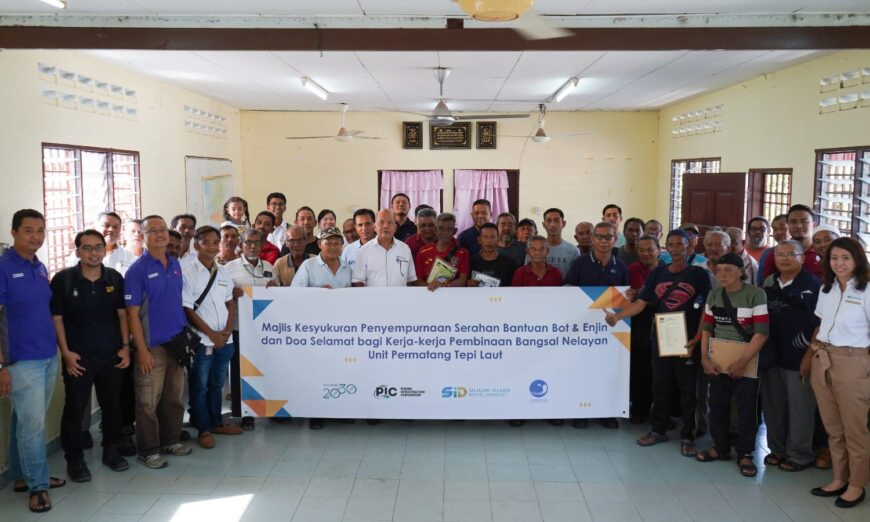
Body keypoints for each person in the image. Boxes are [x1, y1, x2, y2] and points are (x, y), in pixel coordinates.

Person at [605, 230, 711, 457]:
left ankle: (688, 436)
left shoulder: (699, 275)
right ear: (666, 248)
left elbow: (706, 308)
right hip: (662, 338)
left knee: (688, 390)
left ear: (688, 246)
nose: (675, 249)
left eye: (680, 244)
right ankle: (658, 430)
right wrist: (618, 316)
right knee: (660, 387)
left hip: (688, 340)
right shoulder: (658, 273)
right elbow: (641, 303)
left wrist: (698, 337)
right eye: (671, 244)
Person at [52, 230, 130, 482]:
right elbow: (57, 319)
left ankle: (111, 450)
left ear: (104, 250)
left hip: (111, 355)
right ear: (78, 252)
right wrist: (66, 353)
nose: (93, 253)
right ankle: (75, 461)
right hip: (78, 359)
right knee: (75, 410)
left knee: (112, 406)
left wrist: (125, 347)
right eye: (87, 248)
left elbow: (122, 314)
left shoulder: (114, 278)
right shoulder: (64, 280)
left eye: (98, 247)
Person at [1, 209, 64, 513]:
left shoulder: (39, 266)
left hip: (47, 354)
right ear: (14, 232)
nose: (36, 236)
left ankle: (20, 476)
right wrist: (1, 366)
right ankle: (38, 486)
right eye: (28, 230)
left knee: (24, 421)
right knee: (33, 426)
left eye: (40, 230)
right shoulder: (3, 268)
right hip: (21, 360)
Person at [125, 215, 192, 469]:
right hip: (151, 345)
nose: (159, 234)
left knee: (174, 397)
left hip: (177, 342)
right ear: (143, 236)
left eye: (162, 229)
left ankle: (170, 440)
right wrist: (141, 350)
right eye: (152, 230)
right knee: (147, 401)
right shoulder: (137, 270)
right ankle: (148, 450)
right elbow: (131, 314)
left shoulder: (174, 264)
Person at [808, 237, 870, 508]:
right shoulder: (827, 289)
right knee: (833, 427)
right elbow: (822, 324)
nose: (839, 263)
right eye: (834, 258)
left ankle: (857, 484)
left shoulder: (866, 290)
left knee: (855, 429)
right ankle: (839, 478)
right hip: (824, 358)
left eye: (846, 257)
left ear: (857, 259)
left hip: (854, 361)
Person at [695, 253, 769, 478]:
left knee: (746, 408)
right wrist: (704, 358)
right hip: (718, 358)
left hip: (747, 359)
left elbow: (761, 333)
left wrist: (742, 363)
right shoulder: (714, 294)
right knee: (717, 405)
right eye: (719, 270)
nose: (722, 274)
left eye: (728, 269)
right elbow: (707, 329)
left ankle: (745, 453)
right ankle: (720, 447)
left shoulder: (755, 294)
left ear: (741, 271)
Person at [760, 240, 821, 472]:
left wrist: (809, 356)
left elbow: (820, 325)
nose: (784, 259)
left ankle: (799, 454)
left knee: (800, 408)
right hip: (771, 355)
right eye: (779, 254)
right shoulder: (769, 282)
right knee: (773, 406)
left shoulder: (813, 285)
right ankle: (777, 450)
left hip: (799, 356)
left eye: (791, 254)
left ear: (802, 258)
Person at [564, 221, 628, 430]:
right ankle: (581, 411)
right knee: (583, 370)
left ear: (615, 239)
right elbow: (569, 288)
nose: (603, 241)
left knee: (608, 371)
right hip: (584, 329)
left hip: (612, 330)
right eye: (599, 236)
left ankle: (606, 412)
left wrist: (631, 294)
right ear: (592, 239)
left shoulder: (621, 266)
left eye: (608, 237)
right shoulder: (580, 263)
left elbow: (626, 296)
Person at [182, 226, 241, 450]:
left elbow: (230, 303)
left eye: (216, 242)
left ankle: (217, 422)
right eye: (207, 242)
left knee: (217, 385)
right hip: (202, 341)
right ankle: (204, 428)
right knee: (200, 387)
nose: (213, 246)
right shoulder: (188, 273)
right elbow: (188, 310)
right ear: (196, 245)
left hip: (224, 340)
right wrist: (212, 335)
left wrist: (227, 330)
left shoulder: (223, 272)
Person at [292, 226, 352, 430]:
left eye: (337, 243)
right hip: (315, 331)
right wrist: (317, 292)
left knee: (339, 371)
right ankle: (316, 413)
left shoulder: (347, 267)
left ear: (342, 246)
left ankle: (337, 411)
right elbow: (294, 294)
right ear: (319, 244)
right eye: (328, 243)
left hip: (342, 331)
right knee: (317, 373)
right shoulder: (308, 266)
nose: (333, 247)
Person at [226, 229, 280, 431]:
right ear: (241, 245)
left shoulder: (269, 267)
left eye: (256, 242)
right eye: (248, 242)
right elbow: (222, 295)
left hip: (265, 331)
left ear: (262, 245)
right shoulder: (229, 269)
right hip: (239, 329)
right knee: (241, 373)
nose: (252, 246)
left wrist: (275, 289)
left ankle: (269, 409)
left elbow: (278, 297)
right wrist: (232, 293)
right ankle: (244, 413)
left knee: (265, 370)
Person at [507, 234, 562, 427]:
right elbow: (514, 302)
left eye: (541, 249)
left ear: (547, 252)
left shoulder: (556, 274)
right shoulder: (520, 273)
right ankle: (519, 410)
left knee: (549, 370)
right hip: (526, 331)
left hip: (550, 332)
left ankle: (551, 410)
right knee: (523, 371)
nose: (538, 253)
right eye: (534, 249)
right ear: (527, 252)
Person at [626, 235, 661, 423]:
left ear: (659, 250)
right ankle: (639, 410)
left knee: (661, 373)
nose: (645, 253)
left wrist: (643, 294)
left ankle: (661, 412)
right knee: (640, 369)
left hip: (663, 326)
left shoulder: (667, 270)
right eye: (641, 250)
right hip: (639, 326)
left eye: (650, 250)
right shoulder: (631, 269)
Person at [352, 209, 417, 288]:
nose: (385, 226)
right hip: (373, 296)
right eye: (381, 222)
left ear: (395, 227)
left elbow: (410, 280)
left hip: (400, 296)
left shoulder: (405, 249)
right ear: (374, 227)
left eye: (390, 222)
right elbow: (358, 282)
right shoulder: (364, 251)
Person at [65, 211, 137, 275]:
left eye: (115, 227)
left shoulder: (129, 257)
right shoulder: (81, 255)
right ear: (95, 228)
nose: (111, 229)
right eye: (106, 226)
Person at [762, 204, 822, 280]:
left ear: (814, 224)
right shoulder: (776, 253)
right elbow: (768, 283)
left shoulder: (822, 251)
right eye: (793, 222)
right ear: (788, 225)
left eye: (804, 221)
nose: (799, 225)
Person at [415, 212, 470, 289]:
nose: (445, 232)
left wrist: (443, 285)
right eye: (441, 228)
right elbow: (417, 280)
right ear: (436, 230)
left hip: (452, 295)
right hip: (428, 294)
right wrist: (431, 288)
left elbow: (462, 281)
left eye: (449, 229)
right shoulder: (423, 252)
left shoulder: (462, 253)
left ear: (454, 231)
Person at [536, 208, 580, 279]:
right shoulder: (535, 249)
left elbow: (577, 277)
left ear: (563, 223)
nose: (552, 225)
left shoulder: (573, 251)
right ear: (544, 225)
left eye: (556, 221)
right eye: (548, 221)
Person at [469, 223, 517, 288]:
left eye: (492, 237)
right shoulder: (470, 263)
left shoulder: (510, 263)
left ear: (498, 239)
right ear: (479, 240)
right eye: (485, 237)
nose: (489, 241)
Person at [757, 214, 791, 285]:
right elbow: (760, 282)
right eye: (775, 229)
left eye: (783, 228)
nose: (778, 232)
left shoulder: (801, 252)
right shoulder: (767, 253)